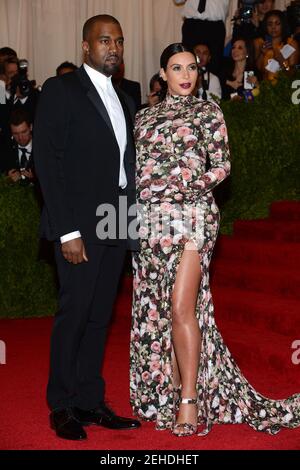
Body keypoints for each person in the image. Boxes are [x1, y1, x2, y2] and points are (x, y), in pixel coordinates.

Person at [130, 42, 300, 437]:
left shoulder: (209, 111)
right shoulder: (144, 118)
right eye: (177, 68)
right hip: (153, 223)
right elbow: (137, 170)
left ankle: (189, 398)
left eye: (191, 68)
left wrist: (186, 185)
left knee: (181, 306)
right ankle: (172, 393)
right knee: (161, 312)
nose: (186, 75)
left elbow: (222, 165)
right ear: (162, 76)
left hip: (194, 218)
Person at [34, 14, 140, 441]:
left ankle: (90, 400)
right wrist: (66, 231)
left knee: (100, 318)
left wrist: (134, 223)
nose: (112, 47)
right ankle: (61, 404)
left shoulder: (128, 95)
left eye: (117, 40)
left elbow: (129, 167)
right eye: (103, 40)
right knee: (74, 314)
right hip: (80, 223)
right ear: (85, 47)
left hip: (117, 217)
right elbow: (48, 161)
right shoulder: (60, 90)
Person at [180, 0, 230, 77]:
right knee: (188, 58)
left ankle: (212, 87)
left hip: (215, 25)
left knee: (215, 63)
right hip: (192, 23)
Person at [255, 10, 299, 82]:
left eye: (277, 23)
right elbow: (258, 70)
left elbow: (293, 75)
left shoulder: (291, 44)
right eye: (270, 24)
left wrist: (283, 62)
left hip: (283, 89)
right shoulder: (263, 44)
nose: (273, 27)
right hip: (265, 89)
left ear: (283, 25)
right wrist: (262, 54)